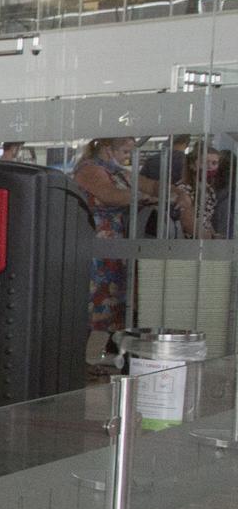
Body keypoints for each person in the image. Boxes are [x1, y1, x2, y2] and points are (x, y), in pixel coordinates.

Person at [73, 137, 160, 351]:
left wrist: (171, 192)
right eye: (124, 151)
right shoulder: (89, 170)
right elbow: (110, 195)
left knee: (109, 307)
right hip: (96, 244)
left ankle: (88, 359)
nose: (127, 156)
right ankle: (76, 360)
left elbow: (149, 184)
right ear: (106, 148)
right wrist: (144, 197)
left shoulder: (116, 171)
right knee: (90, 305)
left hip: (114, 246)